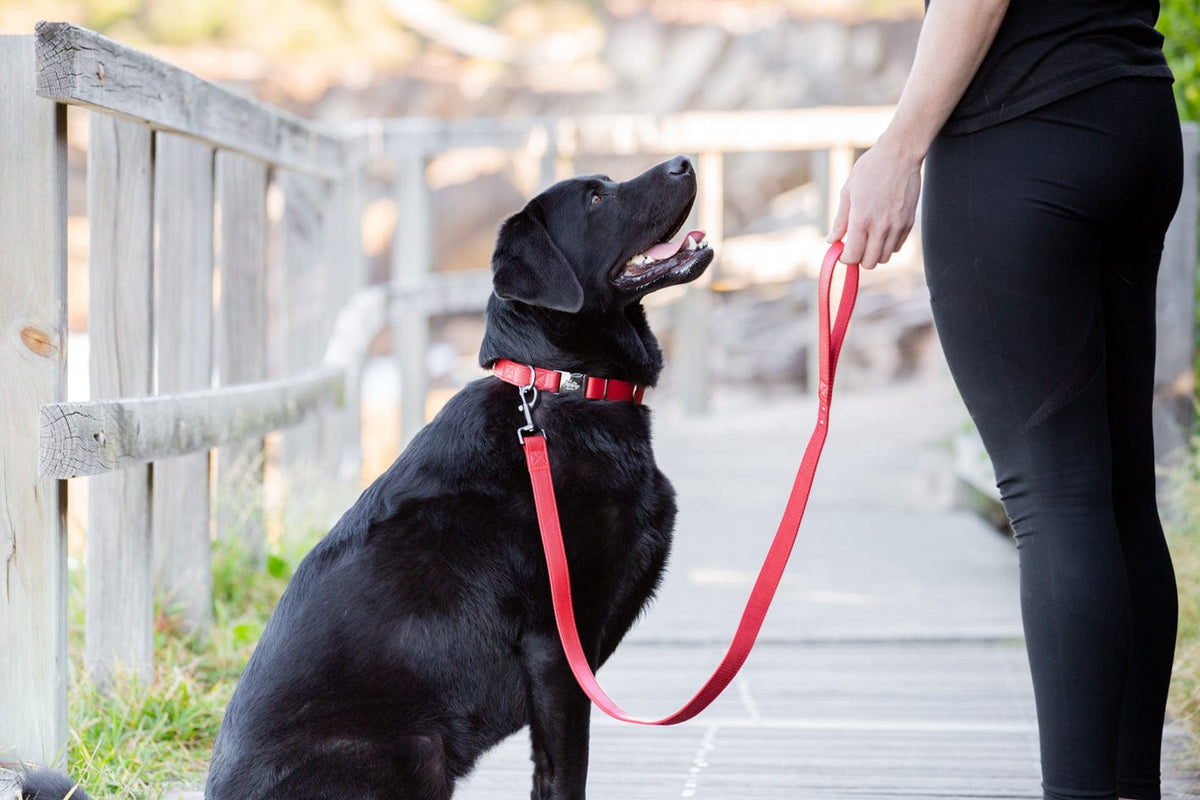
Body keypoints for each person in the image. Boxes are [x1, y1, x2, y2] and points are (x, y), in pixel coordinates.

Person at [827, 2, 1184, 799]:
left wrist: (899, 146)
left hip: (1018, 133)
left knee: (1056, 497)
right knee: (1120, 494)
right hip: (1133, 109)